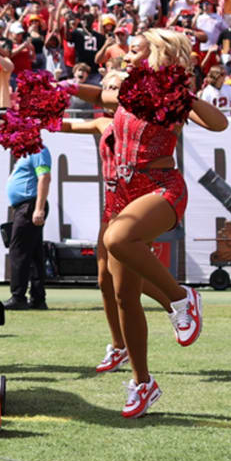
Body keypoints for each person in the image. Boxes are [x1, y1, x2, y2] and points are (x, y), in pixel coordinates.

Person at [68, 29, 226, 418]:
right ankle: (143, 383)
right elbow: (97, 96)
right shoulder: (127, 93)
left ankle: (181, 298)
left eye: (134, 50)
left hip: (160, 188)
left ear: (156, 54)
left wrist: (185, 96)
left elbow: (218, 123)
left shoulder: (173, 98)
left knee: (117, 236)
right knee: (124, 296)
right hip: (123, 194)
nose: (125, 56)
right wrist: (61, 88)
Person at [57, 70, 173, 374]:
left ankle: (176, 301)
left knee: (126, 280)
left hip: (136, 201)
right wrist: (32, 119)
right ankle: (119, 346)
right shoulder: (102, 122)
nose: (108, 92)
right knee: (104, 279)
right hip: (111, 204)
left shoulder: (139, 122)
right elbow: (65, 125)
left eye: (114, 87)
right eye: (105, 86)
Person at [4, 145, 50, 310]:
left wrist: (39, 208)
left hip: (29, 206)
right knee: (34, 254)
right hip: (26, 206)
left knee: (19, 251)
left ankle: (18, 297)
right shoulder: (28, 153)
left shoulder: (38, 150)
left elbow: (44, 177)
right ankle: (38, 298)